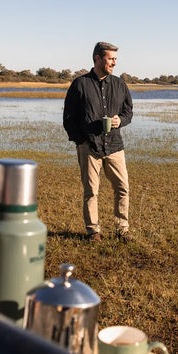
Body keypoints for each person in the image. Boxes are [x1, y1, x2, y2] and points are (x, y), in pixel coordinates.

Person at [62, 42, 133, 241]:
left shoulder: (120, 84)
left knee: (122, 188)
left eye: (115, 59)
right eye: (110, 59)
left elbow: (128, 112)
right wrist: (81, 142)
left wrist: (120, 121)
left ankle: (122, 230)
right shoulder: (80, 84)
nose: (114, 63)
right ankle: (93, 231)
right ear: (98, 58)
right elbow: (69, 118)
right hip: (89, 147)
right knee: (91, 191)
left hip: (115, 146)